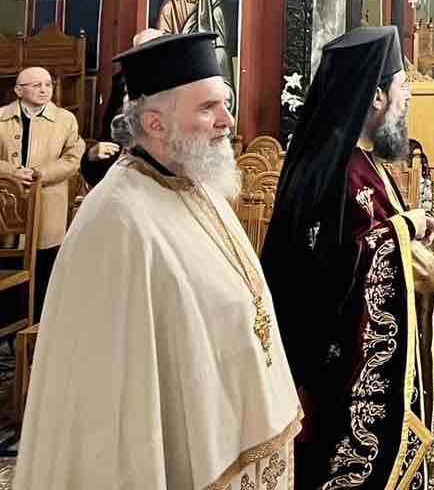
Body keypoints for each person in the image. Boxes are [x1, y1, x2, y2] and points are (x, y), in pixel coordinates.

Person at [16, 32, 299, 488]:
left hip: (227, 427)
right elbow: (111, 408)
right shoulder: (116, 219)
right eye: (207, 108)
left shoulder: (196, 183)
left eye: (226, 104)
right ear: (155, 123)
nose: (227, 121)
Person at [262, 25, 434, 489]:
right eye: (401, 87)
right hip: (337, 366)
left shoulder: (360, 159)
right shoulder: (339, 168)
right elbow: (335, 262)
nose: (407, 98)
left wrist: (404, 231)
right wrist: (407, 228)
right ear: (377, 96)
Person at [0, 66, 85, 309]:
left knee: (44, 267)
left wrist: (41, 174)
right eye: (36, 85)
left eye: (48, 84)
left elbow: (74, 158)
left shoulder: (65, 119)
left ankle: (38, 322)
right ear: (18, 90)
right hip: (6, 205)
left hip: (48, 203)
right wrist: (11, 172)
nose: (44, 89)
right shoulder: (1, 117)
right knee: (9, 264)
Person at [81, 26, 165, 188]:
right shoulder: (121, 81)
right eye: (141, 52)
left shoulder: (179, 86)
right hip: (122, 171)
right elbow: (108, 134)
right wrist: (92, 156)